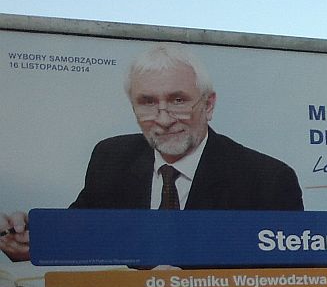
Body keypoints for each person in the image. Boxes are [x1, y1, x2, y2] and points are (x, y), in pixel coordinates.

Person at [0, 42, 302, 262]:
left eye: (178, 100)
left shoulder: (267, 179)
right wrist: (33, 238)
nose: (164, 118)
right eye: (147, 102)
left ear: (208, 105)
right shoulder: (111, 158)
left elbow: (308, 278)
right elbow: (81, 232)